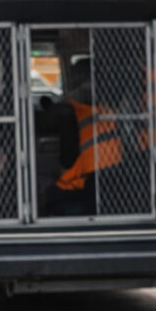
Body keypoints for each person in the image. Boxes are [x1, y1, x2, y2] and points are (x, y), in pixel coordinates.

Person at [45, 58, 122, 217]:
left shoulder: (77, 97)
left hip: (95, 163)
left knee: (54, 197)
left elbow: (53, 117)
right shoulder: (112, 93)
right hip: (117, 159)